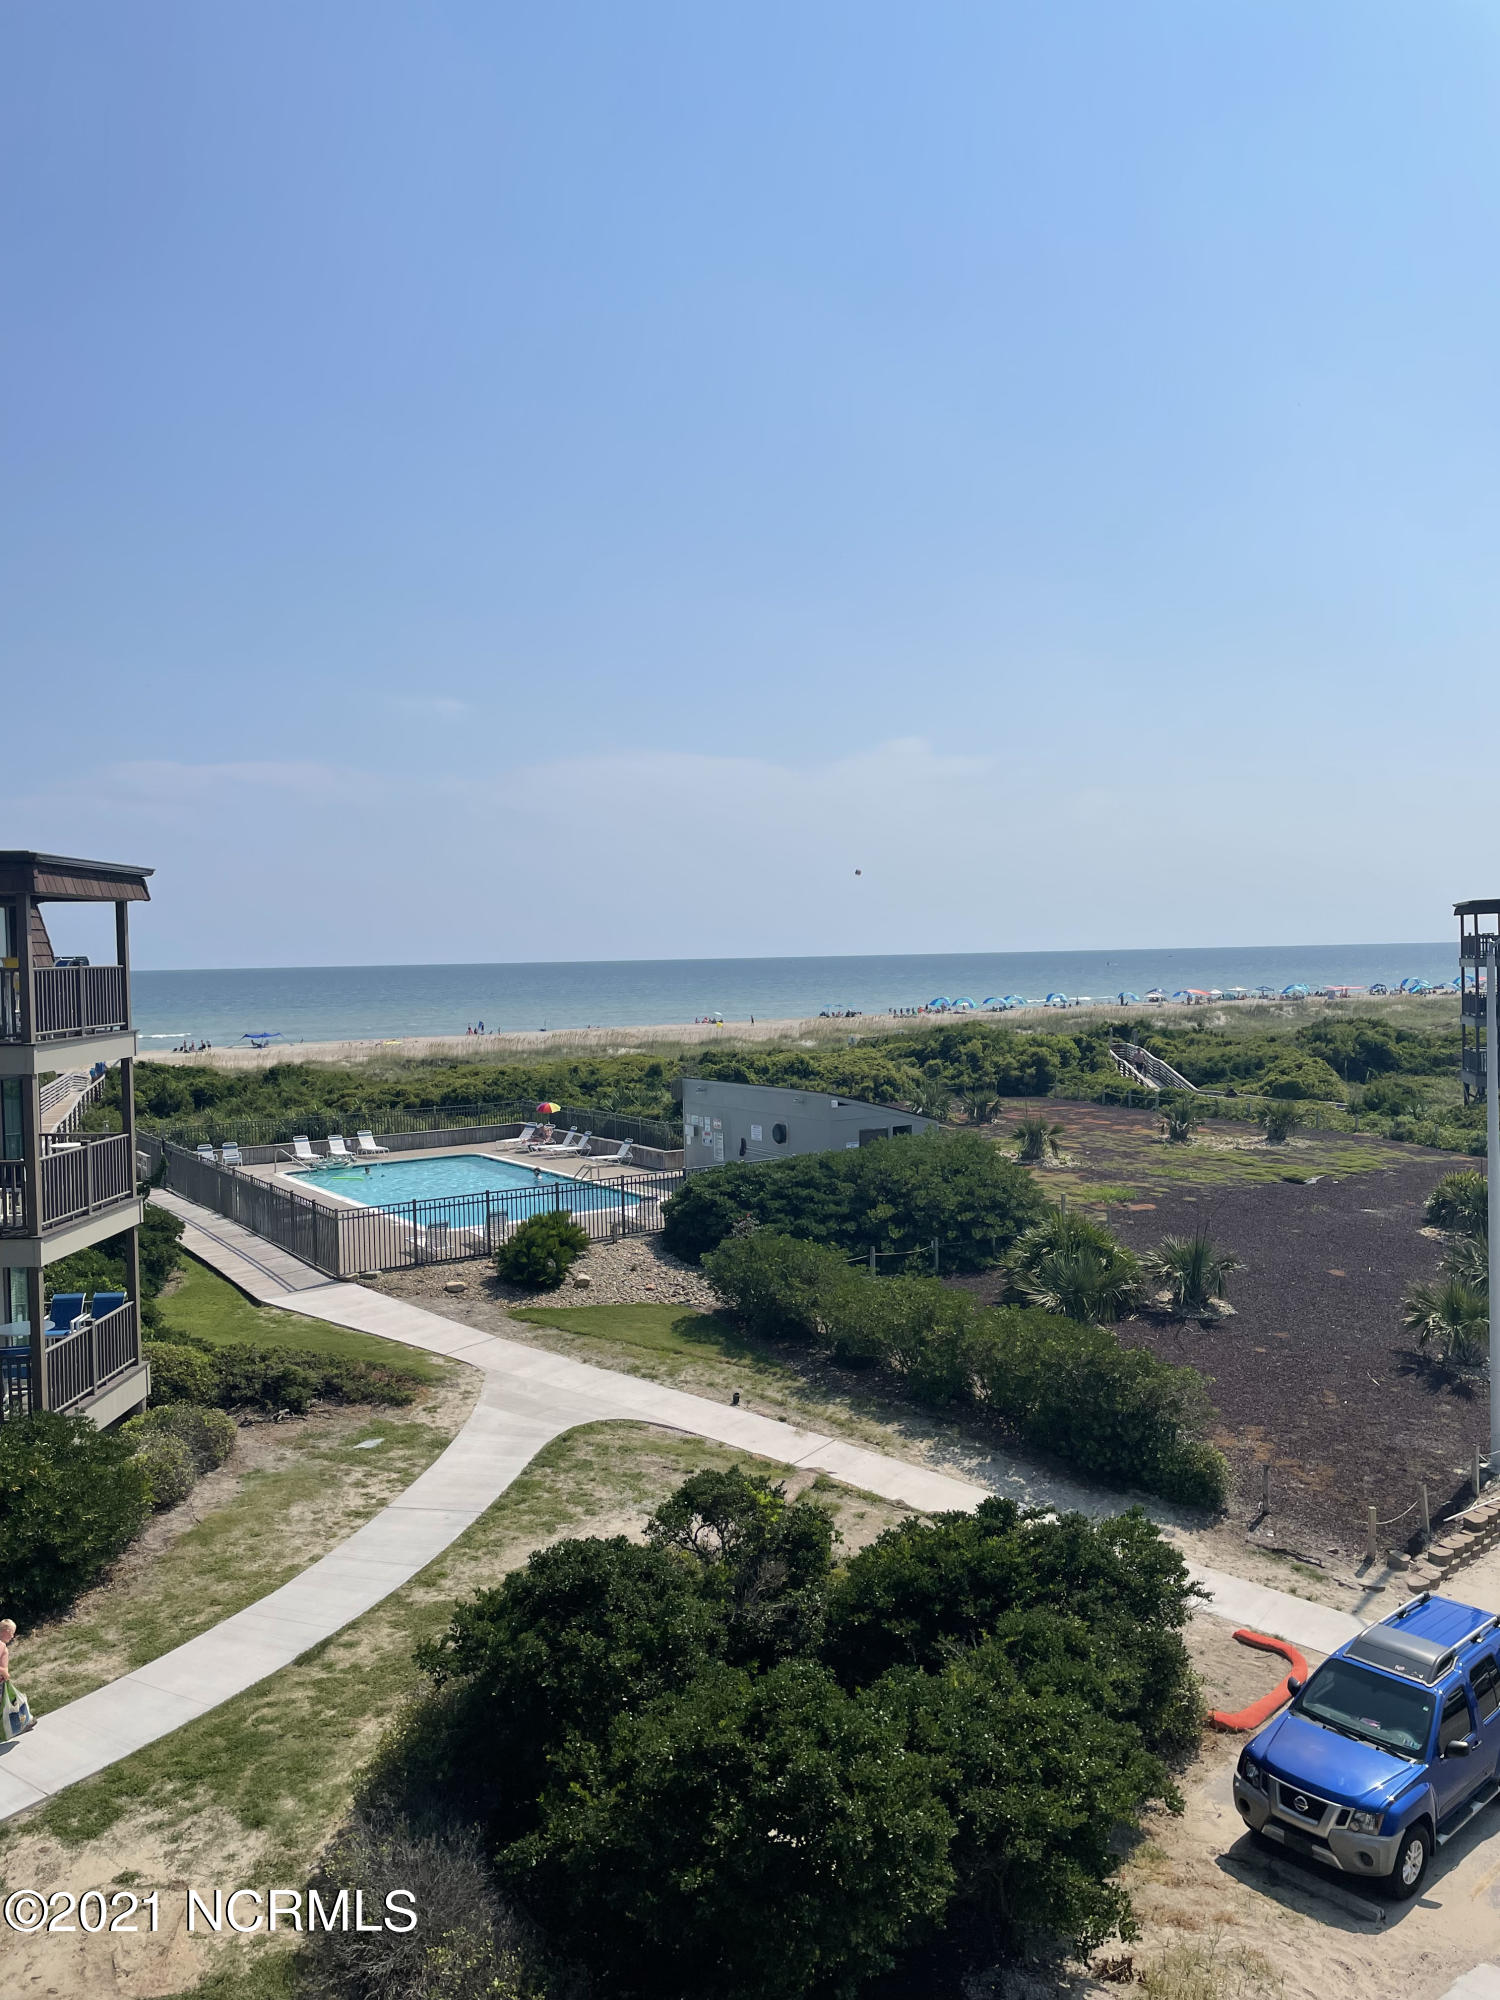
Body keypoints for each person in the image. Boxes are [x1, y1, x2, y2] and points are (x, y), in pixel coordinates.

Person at [0, 1619, 36, 1737]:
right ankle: (23, 1723)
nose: (13, 1636)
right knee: (13, 1703)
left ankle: (24, 1722)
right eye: (11, 1632)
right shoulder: (1, 1645)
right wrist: (4, 1672)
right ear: (4, 1631)